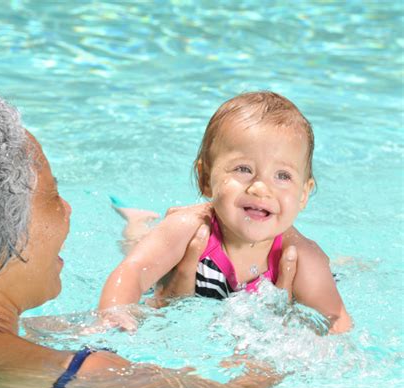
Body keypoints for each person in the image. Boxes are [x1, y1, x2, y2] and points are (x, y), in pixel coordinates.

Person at [0, 89, 300, 388]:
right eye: (53, 195)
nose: (68, 209)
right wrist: (279, 327)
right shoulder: (89, 374)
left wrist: (158, 310)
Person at [99, 91, 353, 334]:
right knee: (136, 245)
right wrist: (114, 314)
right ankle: (137, 221)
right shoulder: (188, 228)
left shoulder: (303, 257)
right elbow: (132, 272)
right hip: (177, 266)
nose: (261, 188)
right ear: (205, 179)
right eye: (243, 169)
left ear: (303, 195)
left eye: (283, 175)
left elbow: (336, 320)